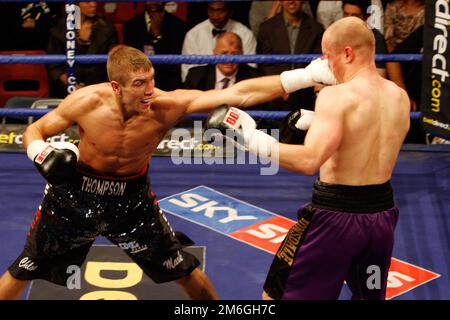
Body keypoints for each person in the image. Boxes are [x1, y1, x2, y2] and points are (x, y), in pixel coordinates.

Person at [206, 16, 410, 299]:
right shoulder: (399, 97)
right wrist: (321, 124)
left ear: (347, 53)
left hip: (334, 218)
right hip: (382, 218)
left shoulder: (335, 96)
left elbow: (308, 161)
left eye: (328, 56)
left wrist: (251, 139)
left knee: (276, 295)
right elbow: (364, 140)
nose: (326, 65)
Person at [47, 1, 118, 98]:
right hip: (67, 88)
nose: (93, 4)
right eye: (87, 1)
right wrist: (72, 86)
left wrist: (116, 51)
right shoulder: (60, 29)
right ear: (76, 4)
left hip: (99, 88)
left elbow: (113, 55)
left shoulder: (106, 27)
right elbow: (54, 65)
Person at [181, 1, 256, 82]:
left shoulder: (246, 34)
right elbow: (187, 71)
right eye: (211, 10)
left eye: (221, 11)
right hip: (202, 88)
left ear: (230, 12)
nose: (216, 16)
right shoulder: (193, 34)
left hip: (238, 86)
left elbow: (250, 69)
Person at [123, 1, 187, 91]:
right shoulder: (130, 26)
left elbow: (174, 64)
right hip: (138, 83)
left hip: (168, 84)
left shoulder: (178, 26)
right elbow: (131, 61)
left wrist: (158, 36)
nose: (153, 2)